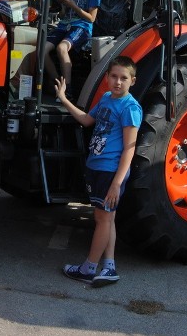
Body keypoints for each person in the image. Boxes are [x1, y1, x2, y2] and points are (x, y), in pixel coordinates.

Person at [55, 56, 141, 286]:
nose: (118, 82)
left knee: (102, 218)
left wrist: (116, 183)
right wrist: (63, 98)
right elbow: (86, 120)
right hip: (97, 167)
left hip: (110, 171)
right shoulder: (105, 98)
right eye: (114, 76)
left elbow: (129, 151)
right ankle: (109, 266)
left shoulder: (130, 108)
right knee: (107, 218)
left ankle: (89, 268)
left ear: (132, 81)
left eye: (124, 78)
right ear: (107, 78)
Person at [45, 0, 100, 99]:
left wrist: (74, 7)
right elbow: (63, 16)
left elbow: (91, 18)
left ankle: (67, 90)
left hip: (81, 27)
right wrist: (63, 7)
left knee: (61, 48)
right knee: (42, 50)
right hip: (64, 25)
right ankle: (59, 82)